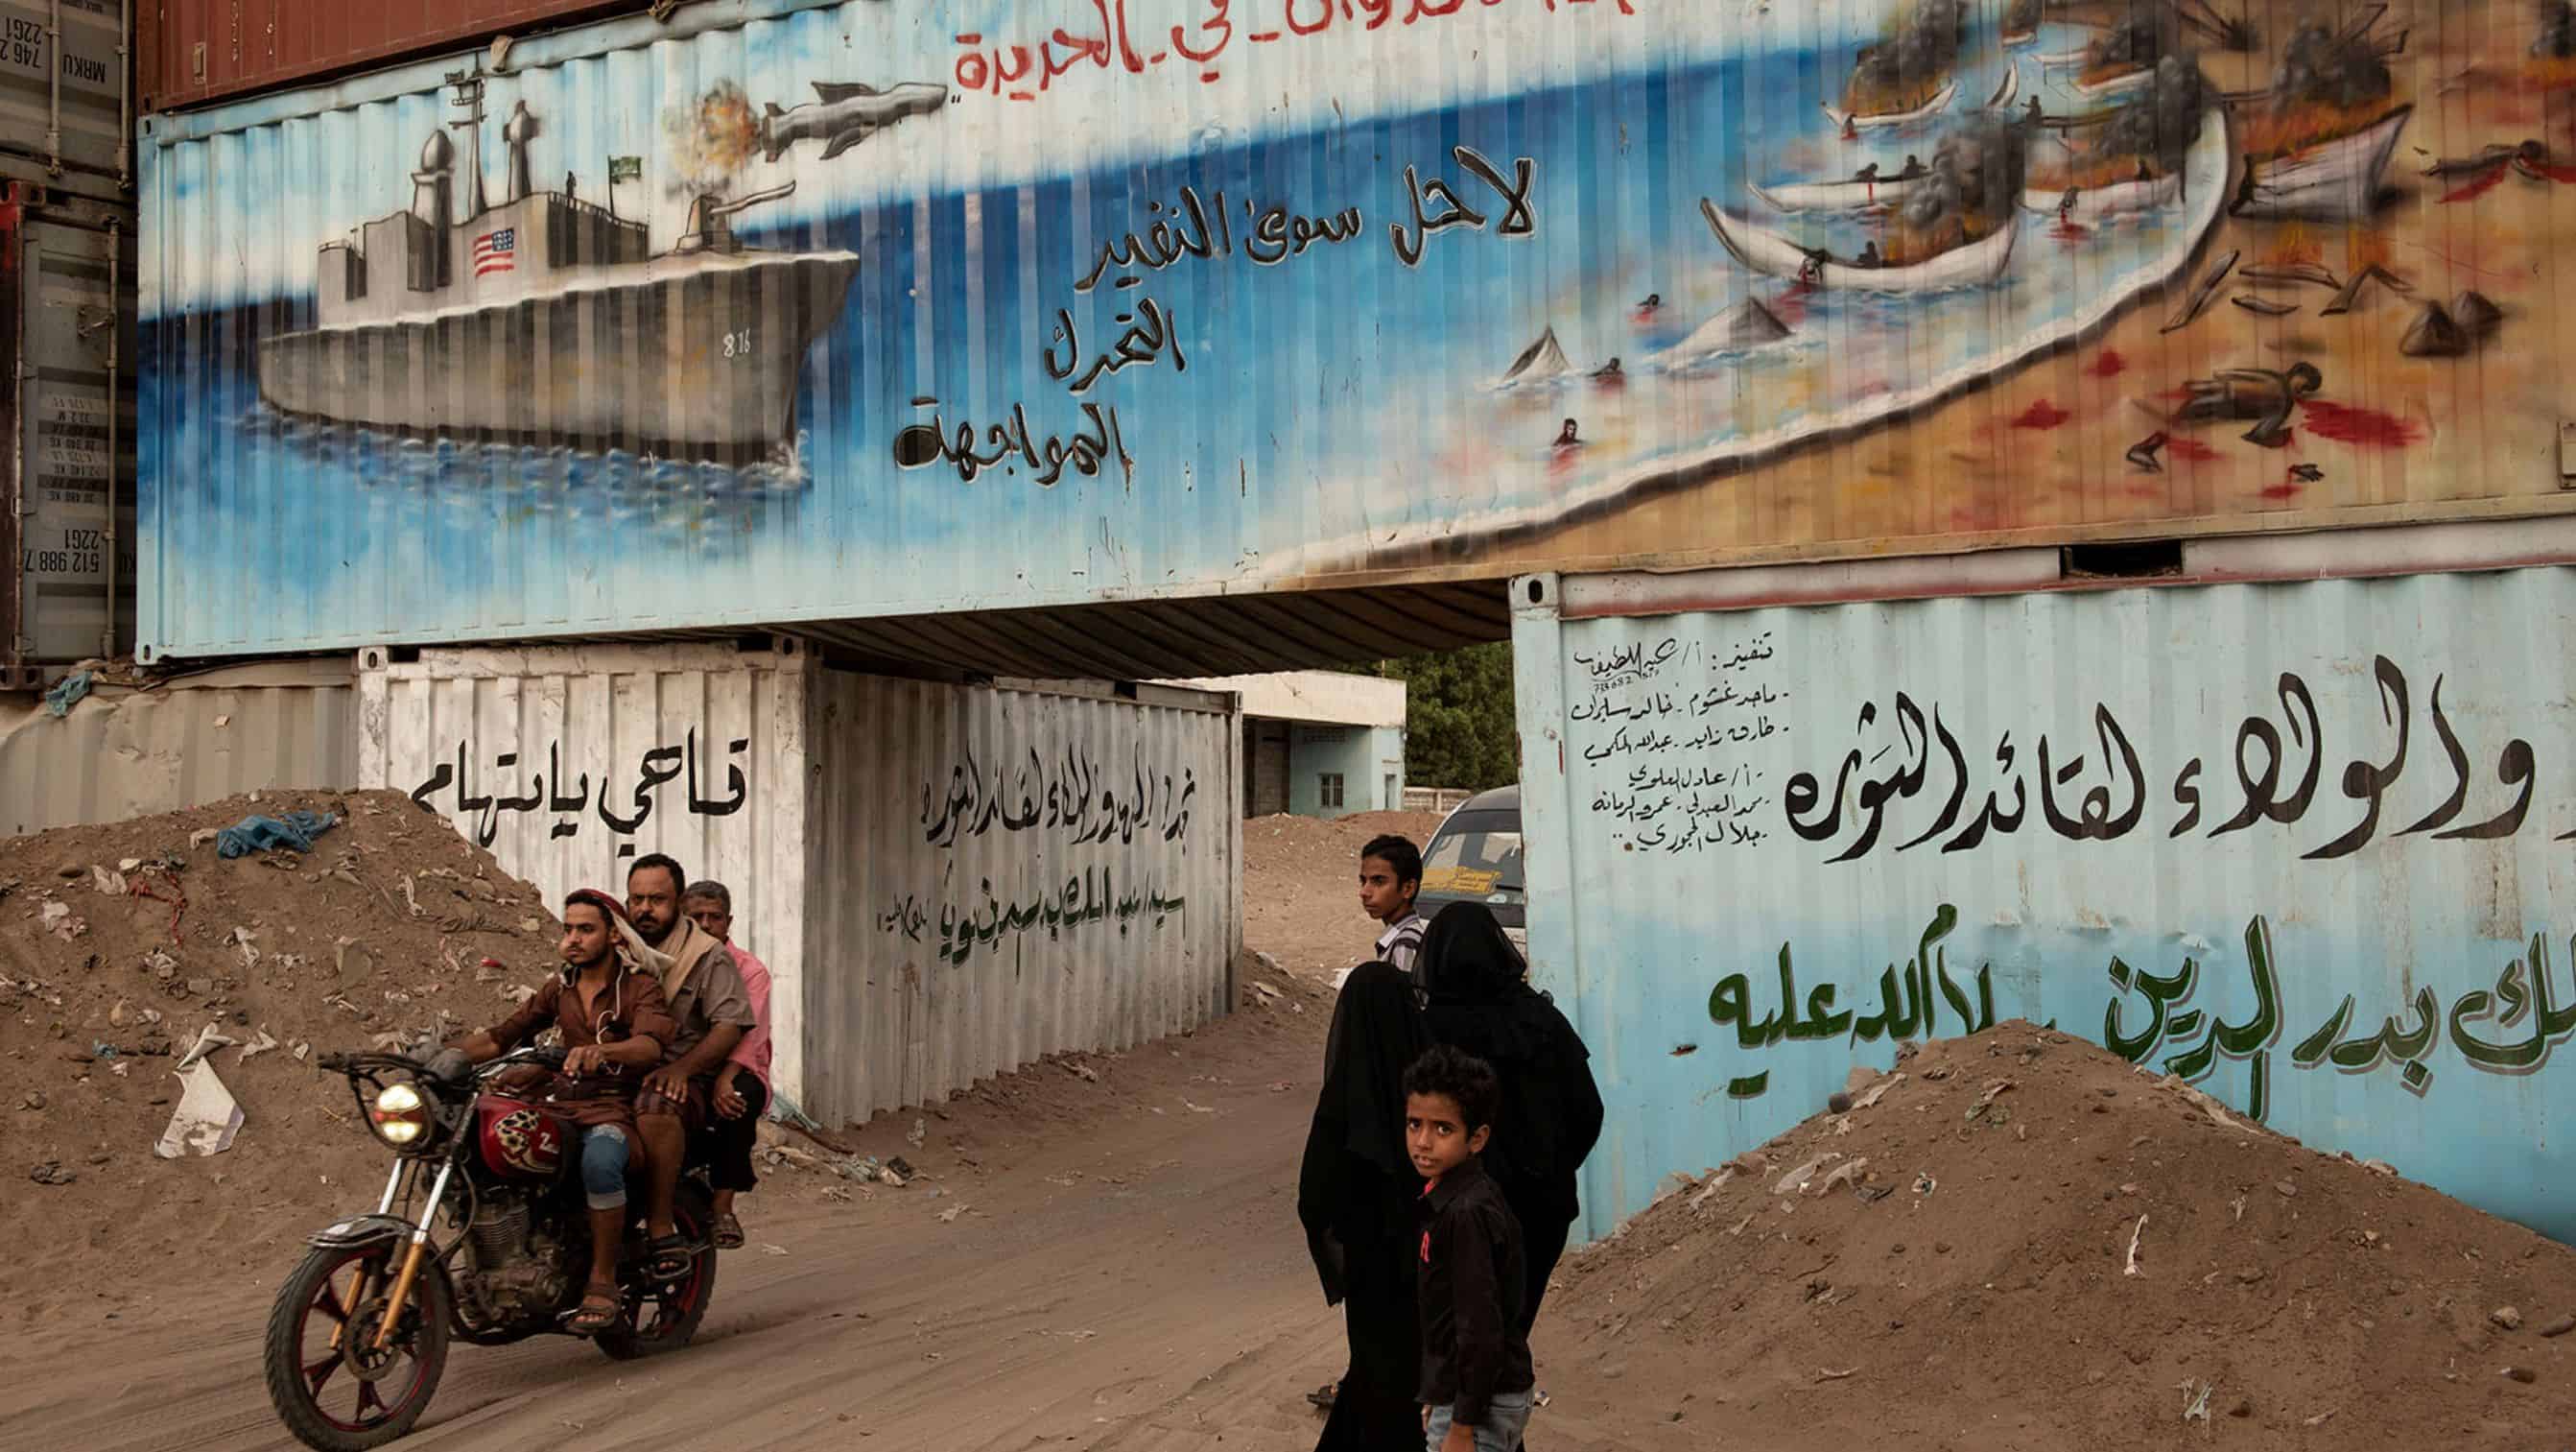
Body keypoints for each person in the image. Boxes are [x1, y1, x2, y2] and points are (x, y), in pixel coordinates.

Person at [446, 889, 676, 1334]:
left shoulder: (638, 987)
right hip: (559, 1105)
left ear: (614, 935)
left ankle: (603, 1281)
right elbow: (499, 1038)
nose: (572, 939)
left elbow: (650, 1045)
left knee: (601, 1160)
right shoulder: (560, 988)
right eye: (568, 929)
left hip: (612, 1111)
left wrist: (600, 1051)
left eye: (585, 930)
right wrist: (442, 1056)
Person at [1417, 903, 1603, 1341]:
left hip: (1457, 1213)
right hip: (1542, 1209)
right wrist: (1549, 1169)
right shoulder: (1542, 1020)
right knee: (1510, 1332)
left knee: (1463, 1339)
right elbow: (1588, 1110)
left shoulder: (1428, 1031)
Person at [1297, 962, 1433, 1450]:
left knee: (1376, 1374)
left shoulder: (1342, 1106)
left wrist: (1343, 1249)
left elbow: (1313, 1199)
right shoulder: (1433, 1103)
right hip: (1431, 1262)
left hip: (1370, 1269)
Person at [626, 853, 757, 1282]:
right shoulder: (617, 946)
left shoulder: (707, 955)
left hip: (682, 1077)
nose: (645, 909)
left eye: (657, 900)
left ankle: (662, 1224)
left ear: (676, 903)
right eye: (637, 899)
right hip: (618, 1067)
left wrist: (682, 1069)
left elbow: (730, 1026)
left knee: (658, 1105)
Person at [1406, 1044, 1534, 1452]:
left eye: (1442, 1129)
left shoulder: (1466, 1213)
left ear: (1477, 1138)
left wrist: (1461, 1424)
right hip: (1468, 1398)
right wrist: (1439, 1393)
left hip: (1481, 1408)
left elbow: (1479, 1328)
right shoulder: (1451, 1197)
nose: (1423, 1142)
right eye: (1414, 1124)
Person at [681, 879, 770, 1252]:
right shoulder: (672, 963)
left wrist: (726, 1077)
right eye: (696, 917)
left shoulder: (750, 970)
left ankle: (722, 1206)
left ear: (728, 921)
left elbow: (751, 1034)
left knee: (736, 1101)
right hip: (685, 1064)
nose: (705, 924)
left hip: (735, 1066)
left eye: (714, 917)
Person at [1359, 834, 1430, 986]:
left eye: (1378, 881)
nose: (1364, 892)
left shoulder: (1405, 943)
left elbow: (1402, 999)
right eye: (1363, 881)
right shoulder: (1398, 937)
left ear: (1408, 888)